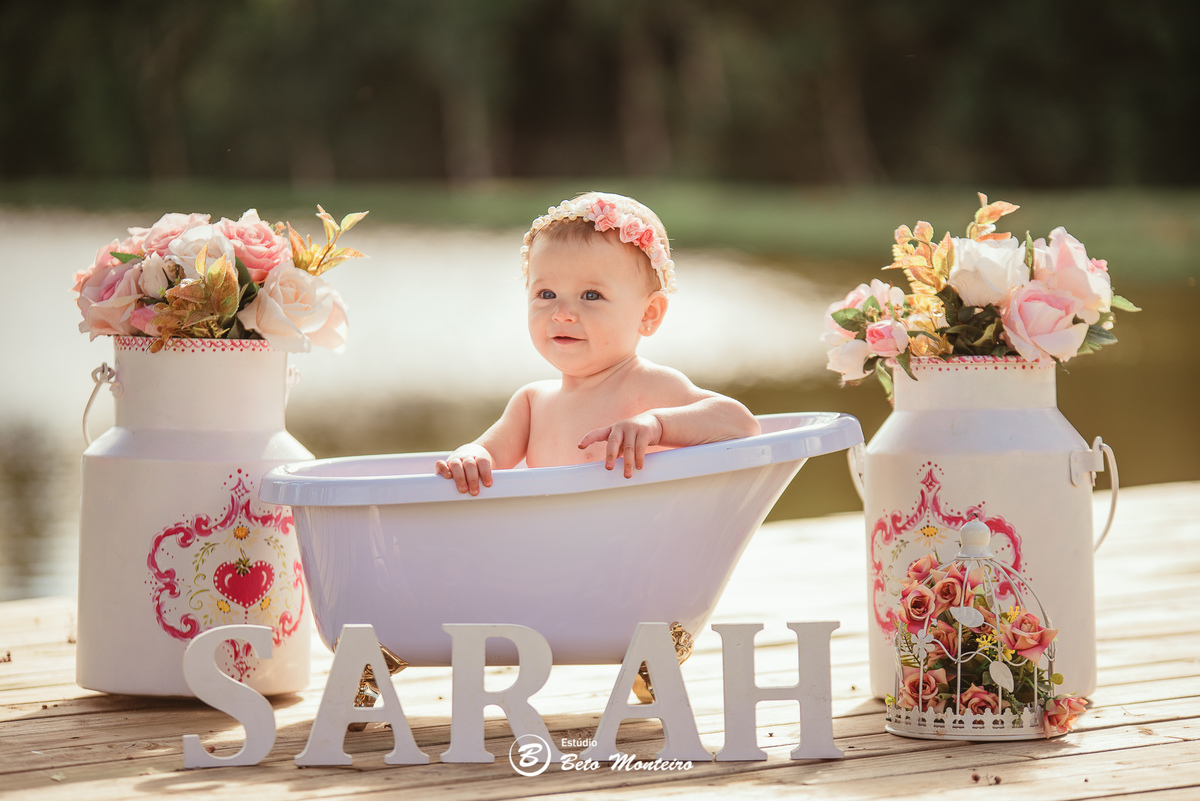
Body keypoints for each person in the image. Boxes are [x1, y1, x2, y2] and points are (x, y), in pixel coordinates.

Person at [436, 192, 760, 495]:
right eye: (546, 294)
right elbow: (488, 452)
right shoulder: (532, 404)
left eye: (591, 295)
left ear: (648, 313)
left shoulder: (646, 387)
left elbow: (741, 424)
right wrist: (470, 456)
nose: (562, 314)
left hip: (634, 546)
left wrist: (656, 424)